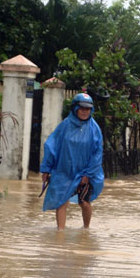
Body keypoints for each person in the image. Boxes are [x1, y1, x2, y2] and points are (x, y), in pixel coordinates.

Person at [40, 93, 104, 229]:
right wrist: (46, 169)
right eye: (82, 108)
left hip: (86, 173)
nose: (85, 111)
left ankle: (86, 229)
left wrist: (87, 175)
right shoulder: (65, 126)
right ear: (75, 108)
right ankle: (60, 233)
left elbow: (97, 154)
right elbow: (51, 146)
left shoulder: (95, 129)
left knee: (84, 202)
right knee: (61, 202)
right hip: (64, 171)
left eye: (88, 109)